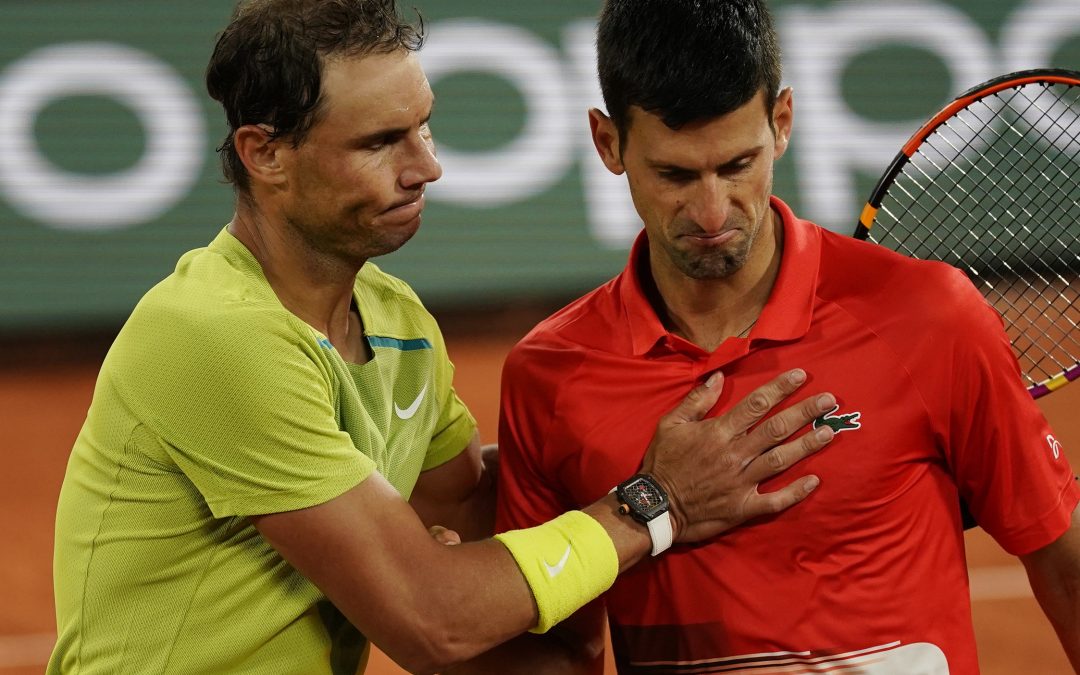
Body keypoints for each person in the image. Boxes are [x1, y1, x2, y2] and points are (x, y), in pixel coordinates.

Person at [46, 1, 840, 673]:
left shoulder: (397, 324)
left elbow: (476, 513)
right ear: (266, 154)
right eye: (379, 142)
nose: (426, 167)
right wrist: (655, 500)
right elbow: (435, 618)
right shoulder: (215, 335)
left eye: (423, 127)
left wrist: (639, 434)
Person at [484, 0, 1080, 673]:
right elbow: (554, 648)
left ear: (783, 122)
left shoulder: (929, 318)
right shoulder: (550, 375)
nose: (712, 212)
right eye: (675, 175)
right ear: (607, 142)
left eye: (737, 165)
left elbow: (1067, 567)